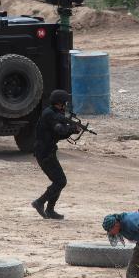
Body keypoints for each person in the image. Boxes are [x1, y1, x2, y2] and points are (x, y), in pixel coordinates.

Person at [31, 90, 81, 220]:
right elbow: (59, 130)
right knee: (60, 181)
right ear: (59, 103)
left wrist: (72, 130)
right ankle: (40, 202)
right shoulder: (50, 115)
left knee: (58, 181)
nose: (66, 105)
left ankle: (50, 210)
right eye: (64, 102)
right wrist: (71, 129)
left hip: (48, 151)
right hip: (44, 152)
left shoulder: (54, 113)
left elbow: (60, 134)